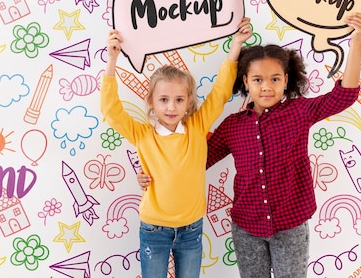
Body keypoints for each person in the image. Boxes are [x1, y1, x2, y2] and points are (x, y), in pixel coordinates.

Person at [138, 12, 361, 277]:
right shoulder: (233, 126)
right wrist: (150, 173)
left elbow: (345, 96)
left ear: (286, 80)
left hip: (290, 225)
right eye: (258, 80)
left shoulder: (299, 112)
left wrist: (357, 41)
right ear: (246, 81)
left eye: (275, 79)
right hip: (247, 227)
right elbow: (192, 160)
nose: (266, 87)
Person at [101, 17, 252, 278]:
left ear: (188, 101)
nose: (171, 107)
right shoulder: (142, 133)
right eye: (164, 100)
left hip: (191, 229)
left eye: (179, 99)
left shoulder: (196, 126)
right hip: (153, 229)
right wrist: (112, 61)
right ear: (151, 102)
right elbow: (111, 111)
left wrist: (236, 44)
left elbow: (220, 93)